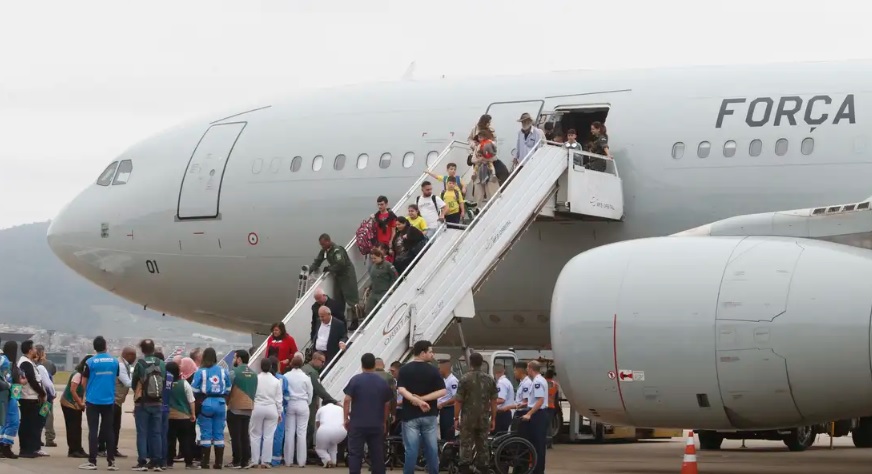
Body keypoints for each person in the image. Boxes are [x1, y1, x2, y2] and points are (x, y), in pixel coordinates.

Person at [396, 340, 446, 474]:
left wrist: (416, 400)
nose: (432, 354)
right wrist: (423, 400)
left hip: (409, 415)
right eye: (430, 352)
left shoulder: (404, 369)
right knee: (432, 448)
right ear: (422, 353)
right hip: (429, 414)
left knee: (411, 449)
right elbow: (442, 391)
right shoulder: (434, 370)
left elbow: (401, 389)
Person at [343, 353, 392, 474]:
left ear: (362, 364)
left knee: (355, 454)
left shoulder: (355, 380)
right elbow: (387, 404)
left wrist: (345, 418)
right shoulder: (382, 382)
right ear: (374, 365)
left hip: (357, 423)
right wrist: (384, 421)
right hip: (376, 423)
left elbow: (346, 400)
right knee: (377, 454)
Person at [78, 336, 120, 471]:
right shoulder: (114, 361)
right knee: (109, 431)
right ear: (106, 346)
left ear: (94, 348)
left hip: (93, 400)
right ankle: (111, 461)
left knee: (93, 431)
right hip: (108, 400)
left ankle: (92, 461)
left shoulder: (90, 362)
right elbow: (116, 377)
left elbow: (83, 382)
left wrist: (82, 398)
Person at [454, 352, 498, 474]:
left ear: (471, 363)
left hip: (468, 418)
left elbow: (458, 401)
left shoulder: (464, 379)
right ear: (481, 362)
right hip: (484, 418)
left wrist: (456, 418)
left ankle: (465, 469)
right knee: (483, 444)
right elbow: (494, 401)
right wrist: (493, 418)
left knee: (466, 443)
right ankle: (483, 468)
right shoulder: (489, 379)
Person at [310, 233, 362, 328]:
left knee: (351, 299)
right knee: (339, 300)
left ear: (328, 241)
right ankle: (341, 321)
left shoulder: (337, 250)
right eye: (321, 245)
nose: (322, 246)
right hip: (338, 277)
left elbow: (341, 264)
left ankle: (356, 321)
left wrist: (329, 268)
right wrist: (310, 269)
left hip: (347, 276)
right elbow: (318, 261)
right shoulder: (325, 251)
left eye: (323, 244)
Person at [191, 348, 231, 469]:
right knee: (219, 433)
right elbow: (228, 388)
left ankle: (205, 462)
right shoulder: (223, 371)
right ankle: (218, 463)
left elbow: (194, 389)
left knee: (206, 433)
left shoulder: (200, 371)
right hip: (220, 403)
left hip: (206, 403)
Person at [131, 339, 166, 471]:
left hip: (143, 403)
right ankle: (157, 462)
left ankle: (142, 461)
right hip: (157, 402)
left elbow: (134, 383)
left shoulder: (140, 364)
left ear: (142, 350)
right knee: (156, 433)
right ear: (153, 349)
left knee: (142, 433)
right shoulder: (161, 363)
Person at [98, 347, 134, 459]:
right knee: (111, 426)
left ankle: (111, 448)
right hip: (114, 400)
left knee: (113, 426)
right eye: (134, 356)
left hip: (116, 400)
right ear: (128, 355)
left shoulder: (124, 364)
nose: (135, 358)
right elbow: (128, 383)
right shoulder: (121, 365)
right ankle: (103, 448)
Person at [301, 351, 338, 450]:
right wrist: (334, 401)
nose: (323, 364)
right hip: (309, 405)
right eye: (322, 361)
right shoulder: (312, 373)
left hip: (300, 403)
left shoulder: (304, 369)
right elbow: (319, 390)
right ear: (316, 359)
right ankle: (304, 453)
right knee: (309, 428)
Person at [250, 358, 282, 468]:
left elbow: (252, 394)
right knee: (269, 436)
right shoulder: (276, 381)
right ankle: (266, 461)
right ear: (271, 367)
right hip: (271, 408)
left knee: (255, 435)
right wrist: (279, 413)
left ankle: (254, 460)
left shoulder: (255, 379)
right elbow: (279, 399)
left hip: (257, 407)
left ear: (260, 366)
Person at [227, 350, 257, 468]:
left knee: (236, 436)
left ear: (239, 359)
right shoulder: (254, 374)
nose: (234, 359)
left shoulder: (233, 372)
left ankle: (237, 461)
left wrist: (227, 401)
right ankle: (246, 460)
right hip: (249, 407)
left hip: (235, 406)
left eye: (235, 357)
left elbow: (228, 389)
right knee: (245, 434)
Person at [165, 361, 197, 470]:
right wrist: (193, 414)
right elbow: (191, 400)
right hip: (184, 417)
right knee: (185, 441)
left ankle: (169, 462)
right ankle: (188, 463)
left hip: (169, 416)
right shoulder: (184, 383)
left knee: (170, 440)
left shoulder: (165, 384)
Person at [17, 340, 45, 459]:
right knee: (27, 424)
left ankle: (31, 448)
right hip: (28, 398)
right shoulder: (25, 363)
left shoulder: (29, 362)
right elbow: (32, 381)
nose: (35, 351)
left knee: (31, 424)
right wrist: (42, 393)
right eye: (33, 348)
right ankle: (26, 449)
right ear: (29, 350)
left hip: (31, 397)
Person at [283, 354, 312, 467]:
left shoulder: (286, 376)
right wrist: (306, 403)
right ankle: (301, 461)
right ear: (302, 365)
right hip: (302, 404)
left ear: (291, 364)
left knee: (289, 432)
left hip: (290, 403)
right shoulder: (306, 377)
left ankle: (288, 460)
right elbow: (310, 393)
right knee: (301, 433)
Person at [520, 361, 549, 474]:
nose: (526, 370)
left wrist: (529, 414)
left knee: (538, 444)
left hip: (539, 414)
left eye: (527, 368)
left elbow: (540, 400)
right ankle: (537, 469)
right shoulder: (537, 380)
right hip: (537, 413)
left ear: (531, 368)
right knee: (535, 444)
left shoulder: (537, 381)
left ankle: (538, 471)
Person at [61, 355, 91, 458]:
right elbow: (73, 390)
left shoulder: (84, 375)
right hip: (69, 403)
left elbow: (82, 391)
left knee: (77, 427)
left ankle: (78, 448)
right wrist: (80, 403)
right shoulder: (77, 375)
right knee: (72, 427)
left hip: (76, 404)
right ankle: (73, 450)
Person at [0, 341, 21, 459]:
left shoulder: (10, 362)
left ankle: (3, 446)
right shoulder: (4, 360)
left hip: (8, 395)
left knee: (4, 422)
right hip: (7, 395)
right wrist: (6, 385)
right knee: (13, 422)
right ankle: (6, 446)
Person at [365, 247, 399, 316]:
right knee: (368, 310)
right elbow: (374, 279)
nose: (373, 260)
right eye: (372, 258)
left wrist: (393, 288)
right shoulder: (373, 266)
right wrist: (369, 287)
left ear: (380, 256)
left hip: (384, 292)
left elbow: (395, 277)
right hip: (374, 292)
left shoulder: (388, 265)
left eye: (375, 258)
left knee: (383, 311)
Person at [35, 345, 57, 448]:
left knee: (37, 417)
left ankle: (37, 438)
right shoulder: (48, 364)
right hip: (47, 395)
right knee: (47, 416)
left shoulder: (33, 363)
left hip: (36, 395)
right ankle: (49, 438)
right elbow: (53, 372)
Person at [269, 357, 289, 467]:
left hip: (266, 407)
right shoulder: (282, 379)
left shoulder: (262, 377)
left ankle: (263, 458)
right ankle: (276, 459)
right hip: (279, 409)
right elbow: (286, 396)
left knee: (265, 434)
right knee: (278, 435)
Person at [314, 402, 345, 468]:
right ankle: (333, 462)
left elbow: (317, 424)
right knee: (333, 444)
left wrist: (320, 435)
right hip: (341, 431)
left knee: (320, 449)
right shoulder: (340, 408)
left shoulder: (321, 409)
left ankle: (327, 460)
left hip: (325, 429)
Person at [437, 360, 458, 441]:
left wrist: (443, 404)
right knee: (443, 433)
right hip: (442, 410)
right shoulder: (445, 380)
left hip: (449, 410)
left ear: (445, 369)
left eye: (439, 369)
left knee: (448, 434)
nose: (438, 371)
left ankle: (450, 451)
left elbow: (456, 397)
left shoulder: (453, 380)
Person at [493, 364, 514, 434]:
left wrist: (489, 402)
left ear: (495, 372)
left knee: (498, 437)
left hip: (502, 414)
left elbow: (501, 399)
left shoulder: (501, 383)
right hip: (505, 414)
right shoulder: (506, 381)